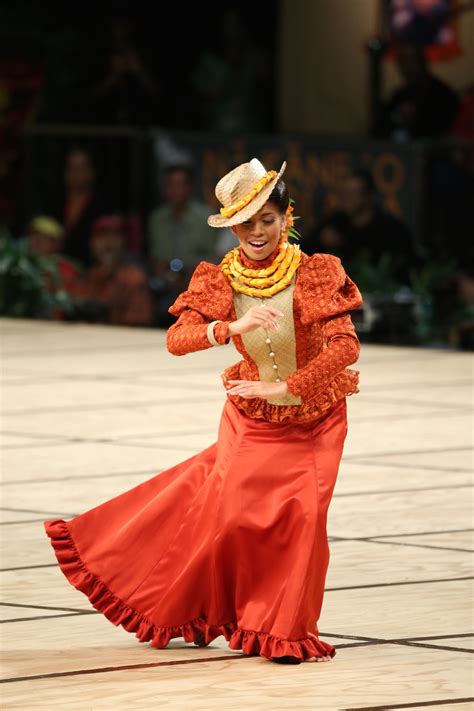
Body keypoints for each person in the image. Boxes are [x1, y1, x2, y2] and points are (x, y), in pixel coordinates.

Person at [43, 158, 363, 665]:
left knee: (302, 518)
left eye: (267, 219)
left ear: (288, 218)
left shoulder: (316, 271)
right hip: (251, 413)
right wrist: (228, 331)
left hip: (315, 415)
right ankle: (206, 609)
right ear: (232, 226)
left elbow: (345, 348)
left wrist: (290, 385)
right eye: (245, 223)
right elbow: (176, 340)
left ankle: (283, 632)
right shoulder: (219, 278)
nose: (256, 232)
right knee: (231, 516)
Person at [304, 169, 422, 287]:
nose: (347, 198)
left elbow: (407, 265)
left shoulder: (390, 227)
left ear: (368, 196)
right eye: (345, 193)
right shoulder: (336, 221)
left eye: (353, 193)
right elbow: (304, 248)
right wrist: (321, 242)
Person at [148, 164, 221, 326]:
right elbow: (155, 257)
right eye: (171, 185)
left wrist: (186, 270)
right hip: (165, 283)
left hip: (197, 283)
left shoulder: (206, 217)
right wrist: (161, 269)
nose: (176, 190)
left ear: (190, 188)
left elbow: (215, 258)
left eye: (181, 185)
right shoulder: (157, 218)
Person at [72, 214, 154, 327]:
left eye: (114, 236)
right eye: (101, 237)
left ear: (123, 242)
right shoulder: (88, 276)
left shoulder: (134, 278)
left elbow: (139, 321)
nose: (108, 243)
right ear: (92, 244)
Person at [373, 41, 460, 141]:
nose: (405, 65)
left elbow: (442, 131)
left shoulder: (441, 93)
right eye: (401, 59)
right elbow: (379, 130)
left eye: (410, 59)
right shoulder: (398, 95)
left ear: (421, 61)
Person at [50, 147, 110, 268]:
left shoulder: (101, 207)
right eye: (71, 168)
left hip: (89, 270)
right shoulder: (54, 203)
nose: (75, 174)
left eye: (81, 168)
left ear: (91, 172)